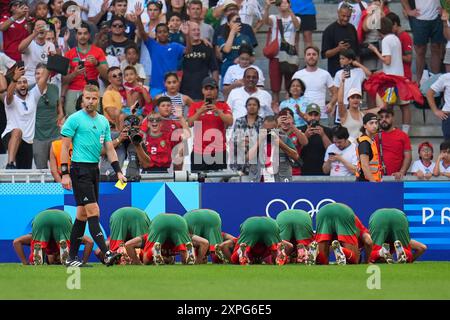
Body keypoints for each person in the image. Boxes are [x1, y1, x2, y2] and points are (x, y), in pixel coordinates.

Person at [60, 84, 127, 267]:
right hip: (79, 169)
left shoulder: (104, 121)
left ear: (99, 100)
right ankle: (107, 253)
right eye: (87, 98)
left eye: (94, 98)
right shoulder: (74, 119)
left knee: (82, 215)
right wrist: (65, 174)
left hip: (93, 170)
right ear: (82, 99)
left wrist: (118, 171)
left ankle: (71, 258)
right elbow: (65, 147)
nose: (90, 101)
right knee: (93, 211)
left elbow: (109, 148)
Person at [134, 2, 189, 97]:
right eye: (159, 32)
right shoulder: (152, 45)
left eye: (164, 32)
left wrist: (187, 35)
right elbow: (142, 33)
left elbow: (188, 51)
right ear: (156, 34)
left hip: (172, 87)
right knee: (154, 111)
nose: (162, 34)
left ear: (168, 33)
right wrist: (138, 17)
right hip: (156, 86)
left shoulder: (175, 46)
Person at [368, 17, 411, 133]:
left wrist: (375, 50)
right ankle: (405, 132)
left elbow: (387, 61)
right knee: (404, 106)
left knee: (387, 107)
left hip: (391, 81)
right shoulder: (396, 38)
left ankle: (388, 130)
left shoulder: (386, 40)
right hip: (400, 78)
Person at [2, 65, 49, 169]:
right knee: (17, 131)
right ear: (14, 86)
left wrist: (50, 61)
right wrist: (14, 79)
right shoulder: (11, 99)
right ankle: (10, 164)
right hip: (10, 136)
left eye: (24, 82)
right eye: (19, 83)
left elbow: (44, 78)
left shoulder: (33, 95)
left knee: (24, 172)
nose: (22, 85)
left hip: (27, 141)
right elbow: (8, 95)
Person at [13, 209, 93, 265]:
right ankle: (63, 243)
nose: (56, 260)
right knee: (64, 238)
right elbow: (89, 242)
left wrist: (25, 263)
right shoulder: (71, 236)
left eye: (55, 261)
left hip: (42, 218)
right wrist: (83, 262)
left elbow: (16, 242)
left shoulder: (31, 237)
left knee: (38, 243)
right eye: (58, 260)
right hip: (61, 218)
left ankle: (38, 251)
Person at [187, 77, 233, 172]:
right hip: (198, 152)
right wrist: (199, 112)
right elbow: (189, 123)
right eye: (206, 89)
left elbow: (230, 121)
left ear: (216, 90)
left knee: (217, 185)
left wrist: (218, 111)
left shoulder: (223, 105)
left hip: (219, 152)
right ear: (202, 90)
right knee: (198, 183)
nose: (209, 91)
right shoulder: (195, 106)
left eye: (212, 89)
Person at [63, 22, 108, 116]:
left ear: (89, 35)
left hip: (92, 89)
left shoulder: (98, 51)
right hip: (74, 90)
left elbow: (107, 75)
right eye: (79, 33)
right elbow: (64, 80)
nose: (82, 36)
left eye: (85, 33)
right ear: (76, 36)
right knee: (73, 122)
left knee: (93, 122)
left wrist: (97, 64)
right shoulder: (69, 54)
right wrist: (74, 74)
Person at [262, 0, 301, 105]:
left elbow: (297, 26)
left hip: (289, 54)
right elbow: (265, 21)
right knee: (275, 81)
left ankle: (290, 102)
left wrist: (290, 11)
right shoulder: (274, 18)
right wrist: (267, 7)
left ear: (289, 4)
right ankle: (275, 102)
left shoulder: (296, 18)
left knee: (290, 80)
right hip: (276, 54)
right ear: (278, 6)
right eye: (281, 3)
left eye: (286, 2)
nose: (283, 5)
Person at [124, 213, 199, 265]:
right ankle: (189, 253)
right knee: (184, 254)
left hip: (159, 221)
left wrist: (138, 263)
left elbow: (128, 244)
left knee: (145, 260)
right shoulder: (176, 246)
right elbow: (204, 242)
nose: (166, 259)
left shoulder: (147, 236)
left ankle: (153, 250)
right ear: (173, 259)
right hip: (179, 221)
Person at [400, 0, 445, 84]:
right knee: (420, 51)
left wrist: (445, 9)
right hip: (419, 18)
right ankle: (418, 82)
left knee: (436, 48)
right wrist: (408, 10)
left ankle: (436, 82)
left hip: (437, 17)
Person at [292, 46, 337, 126]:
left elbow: (335, 93)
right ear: (305, 57)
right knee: (270, 132)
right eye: (308, 54)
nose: (311, 56)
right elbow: (291, 95)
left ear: (318, 57)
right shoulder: (297, 75)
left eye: (314, 54)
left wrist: (331, 104)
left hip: (321, 116)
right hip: (302, 116)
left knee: (321, 137)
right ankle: (267, 138)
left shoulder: (325, 74)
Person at [247, 115, 299, 182]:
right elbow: (248, 157)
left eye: (271, 130)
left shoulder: (284, 139)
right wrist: (259, 141)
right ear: (262, 128)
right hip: (260, 181)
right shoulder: (256, 139)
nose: (269, 132)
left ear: (277, 127)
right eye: (266, 130)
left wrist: (281, 144)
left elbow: (296, 156)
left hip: (280, 180)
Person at [33, 64, 63, 169]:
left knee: (59, 169)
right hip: (38, 136)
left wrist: (59, 118)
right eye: (37, 73)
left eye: (42, 73)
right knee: (41, 171)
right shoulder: (30, 90)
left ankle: (60, 186)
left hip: (55, 134)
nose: (39, 76)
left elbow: (60, 111)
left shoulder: (54, 88)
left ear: (48, 75)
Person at [180, 21, 219, 101]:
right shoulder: (181, 46)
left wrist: (215, 88)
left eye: (198, 30)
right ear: (187, 31)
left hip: (203, 91)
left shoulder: (207, 46)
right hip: (185, 90)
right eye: (193, 30)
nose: (197, 32)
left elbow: (214, 69)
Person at [216, 12, 257, 79]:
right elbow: (227, 49)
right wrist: (232, 32)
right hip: (227, 71)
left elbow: (253, 57)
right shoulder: (221, 37)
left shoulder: (246, 38)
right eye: (234, 22)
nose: (237, 24)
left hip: (242, 72)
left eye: (238, 21)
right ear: (228, 23)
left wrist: (243, 59)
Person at [321, 3, 358, 77]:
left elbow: (357, 50)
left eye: (348, 16)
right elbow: (325, 54)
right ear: (338, 13)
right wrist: (338, 48)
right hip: (335, 70)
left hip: (352, 70)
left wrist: (358, 67)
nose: (346, 19)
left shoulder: (352, 28)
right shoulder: (329, 30)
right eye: (343, 16)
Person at [230, 97, 264, 177]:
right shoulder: (239, 120)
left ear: (258, 107)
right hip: (239, 159)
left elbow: (262, 140)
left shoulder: (262, 121)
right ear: (246, 107)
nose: (252, 107)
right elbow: (235, 139)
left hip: (256, 160)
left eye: (254, 105)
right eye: (249, 105)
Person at [375, 108, 412, 180]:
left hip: (397, 178)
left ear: (393, 118)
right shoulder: (375, 136)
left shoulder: (403, 135)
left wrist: (401, 172)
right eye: (381, 117)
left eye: (387, 116)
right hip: (378, 178)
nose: (384, 119)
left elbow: (408, 157)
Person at [18, 18, 56, 87]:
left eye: (43, 26)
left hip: (45, 81)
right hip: (29, 80)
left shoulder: (51, 45)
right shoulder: (29, 43)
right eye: (38, 26)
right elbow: (20, 48)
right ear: (33, 30)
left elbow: (52, 67)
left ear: (47, 30)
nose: (40, 29)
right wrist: (34, 34)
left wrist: (53, 58)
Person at [299, 103, 332, 175]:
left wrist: (323, 135)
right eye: (310, 115)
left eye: (316, 115)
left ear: (320, 116)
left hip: (322, 172)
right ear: (305, 116)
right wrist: (305, 136)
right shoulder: (300, 130)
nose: (313, 118)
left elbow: (332, 151)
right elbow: (295, 151)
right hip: (304, 171)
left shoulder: (327, 131)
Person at [385, 12, 413, 81]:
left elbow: (409, 58)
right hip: (396, 74)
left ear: (395, 24)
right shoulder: (393, 36)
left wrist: (394, 55)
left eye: (389, 27)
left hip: (405, 75)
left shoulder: (405, 36)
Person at [355, 112, 382, 182]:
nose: (375, 126)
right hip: (366, 183)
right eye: (371, 123)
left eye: (376, 123)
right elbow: (365, 166)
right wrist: (374, 184)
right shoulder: (365, 142)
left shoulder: (371, 140)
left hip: (369, 182)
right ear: (364, 125)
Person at [426, 72, 450, 140]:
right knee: (448, 146)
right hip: (448, 115)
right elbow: (429, 93)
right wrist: (435, 111)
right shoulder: (446, 77)